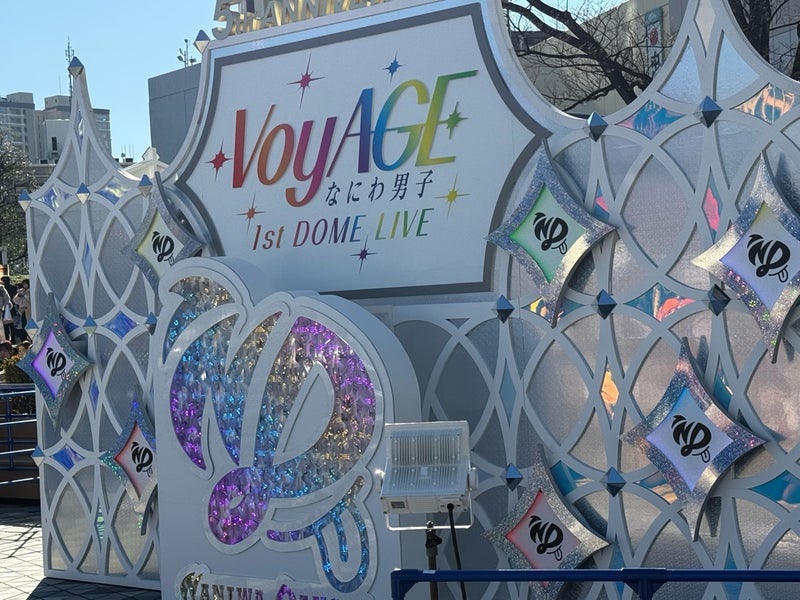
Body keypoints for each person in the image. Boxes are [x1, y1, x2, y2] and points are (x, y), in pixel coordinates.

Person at [12, 279, 30, 343]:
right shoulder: (22, 290)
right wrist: (19, 296)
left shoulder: (30, 290)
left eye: (26, 284)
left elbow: (30, 299)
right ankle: (24, 338)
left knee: (29, 324)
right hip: (22, 310)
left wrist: (24, 295)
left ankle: (30, 337)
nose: (24, 285)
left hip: (29, 310)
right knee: (23, 325)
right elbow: (15, 301)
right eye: (23, 284)